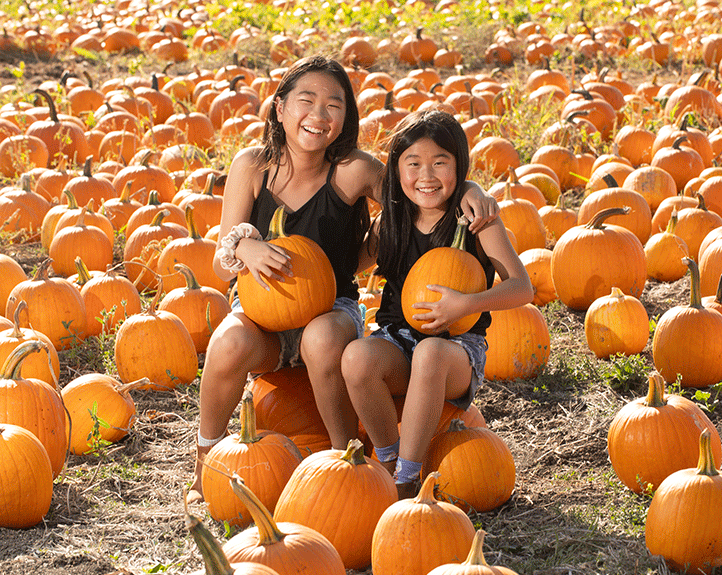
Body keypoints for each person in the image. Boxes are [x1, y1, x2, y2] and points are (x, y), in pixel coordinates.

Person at [188, 57, 498, 503]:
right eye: (306, 101)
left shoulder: (352, 170)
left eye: (334, 105)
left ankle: (341, 458)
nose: (319, 115)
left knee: (319, 337)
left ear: (345, 118)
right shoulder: (252, 166)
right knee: (227, 344)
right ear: (280, 109)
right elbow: (221, 265)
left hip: (331, 310)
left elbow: (419, 186)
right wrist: (243, 247)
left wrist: (471, 190)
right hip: (261, 319)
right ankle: (207, 462)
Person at [341, 109, 534, 499]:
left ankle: (407, 481)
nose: (426, 176)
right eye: (413, 164)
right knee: (356, 358)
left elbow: (522, 288)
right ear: (396, 170)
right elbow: (343, 265)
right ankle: (389, 458)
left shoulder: (476, 221)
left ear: (459, 167)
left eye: (439, 163)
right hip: (398, 341)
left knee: (430, 353)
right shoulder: (390, 222)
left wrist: (467, 304)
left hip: (456, 353)